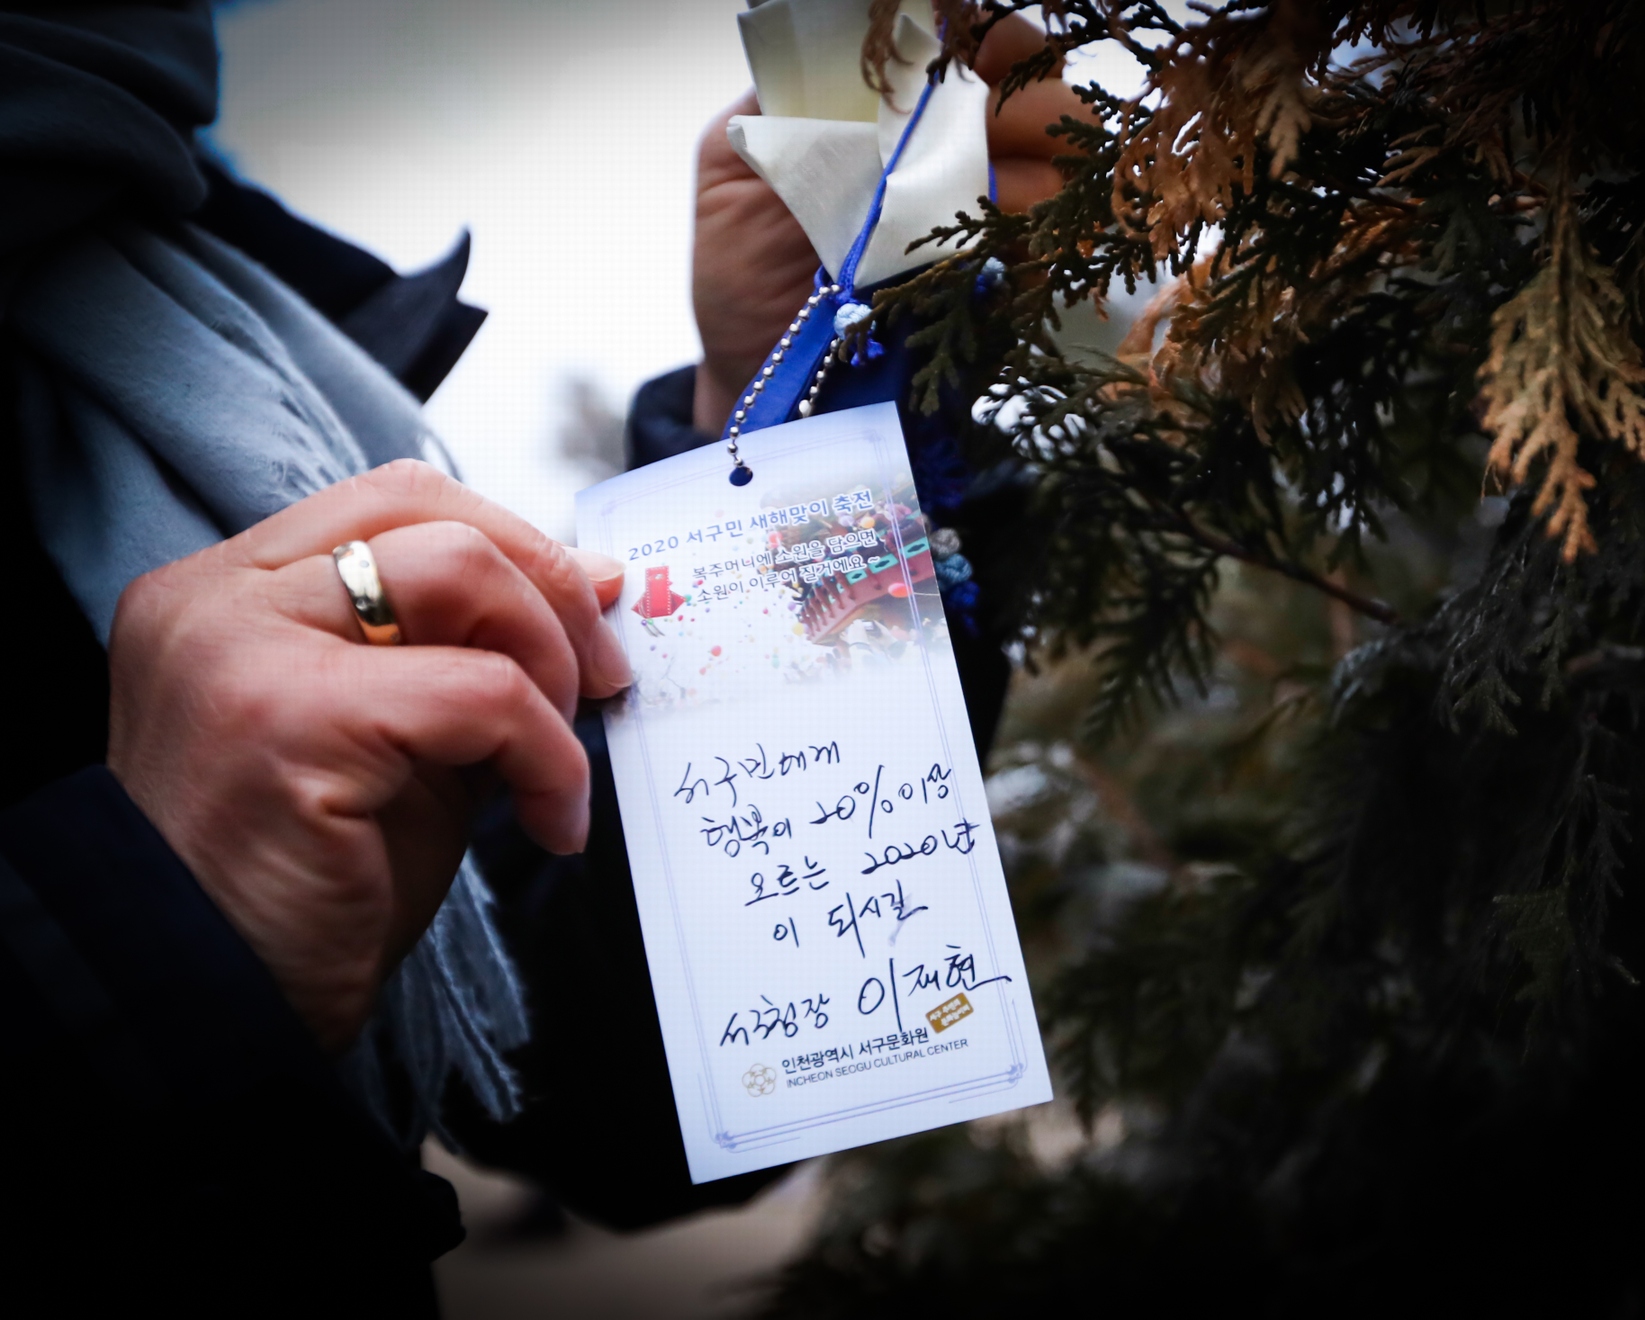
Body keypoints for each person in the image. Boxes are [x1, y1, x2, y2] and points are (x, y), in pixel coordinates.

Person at [0, 1, 1081, 1311]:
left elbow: (614, 1096)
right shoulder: (253, 358)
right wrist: (149, 948)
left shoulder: (222, 310)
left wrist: (816, 412)